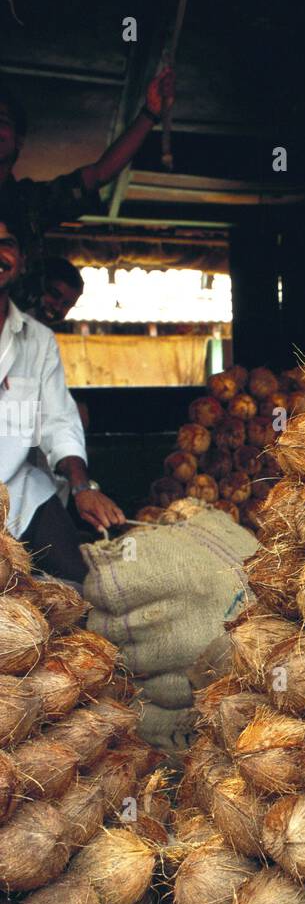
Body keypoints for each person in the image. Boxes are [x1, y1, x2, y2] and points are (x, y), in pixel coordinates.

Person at [0, 214, 124, 583]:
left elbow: (58, 421)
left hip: (21, 492)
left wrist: (82, 487)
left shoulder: (38, 341)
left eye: (5, 244)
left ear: (20, 259)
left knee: (75, 585)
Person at [0, 67, 175, 275]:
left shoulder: (30, 202)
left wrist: (150, 112)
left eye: (2, 121)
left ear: (18, 140)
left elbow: (100, 174)